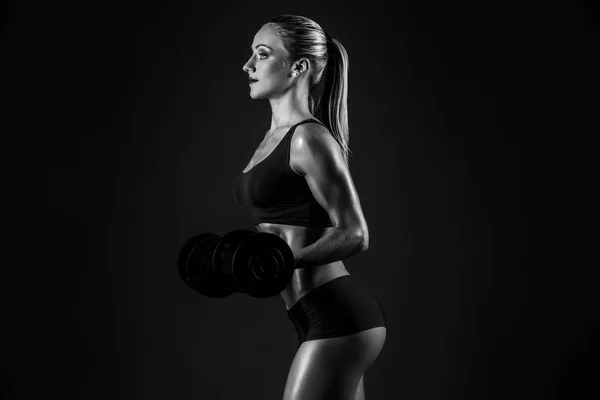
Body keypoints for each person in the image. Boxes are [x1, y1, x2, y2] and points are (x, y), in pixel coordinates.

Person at [233, 14, 387, 400]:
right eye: (252, 55)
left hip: (337, 315)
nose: (248, 65)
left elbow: (355, 233)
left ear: (298, 66)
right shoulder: (272, 138)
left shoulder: (308, 138)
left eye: (262, 54)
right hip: (307, 315)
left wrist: (282, 263)